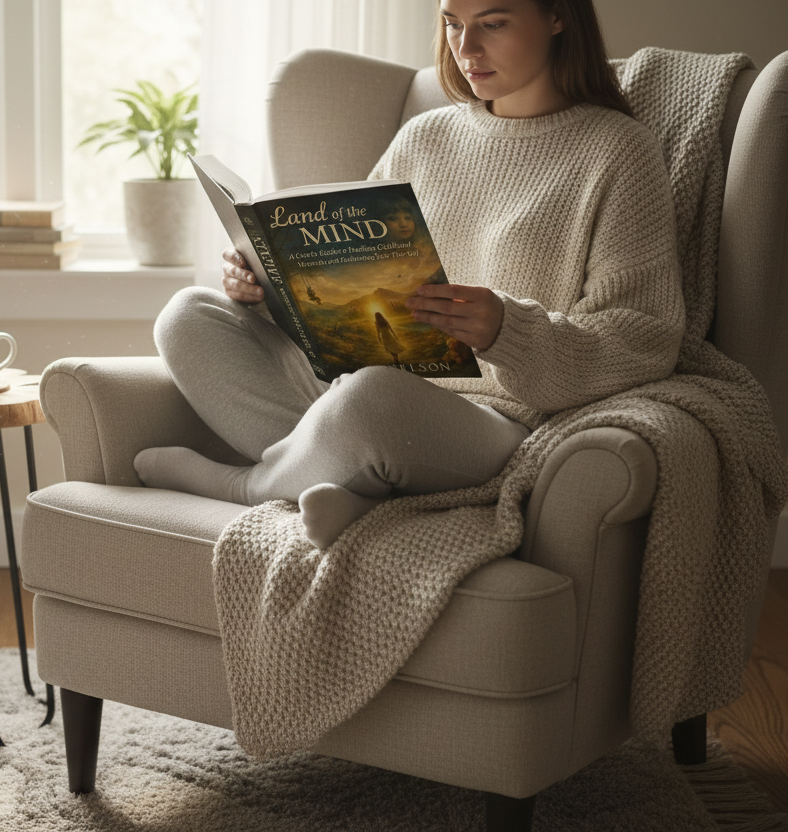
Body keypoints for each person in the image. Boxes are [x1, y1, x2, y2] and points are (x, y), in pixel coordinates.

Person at [134, 0, 684, 549]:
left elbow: (641, 338)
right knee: (188, 315)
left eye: (493, 24)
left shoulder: (619, 151)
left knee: (372, 399)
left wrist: (506, 332)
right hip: (351, 389)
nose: (465, 49)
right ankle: (349, 479)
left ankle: (248, 485)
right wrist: (265, 285)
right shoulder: (424, 138)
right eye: (452, 24)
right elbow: (349, 280)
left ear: (558, 16)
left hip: (493, 421)